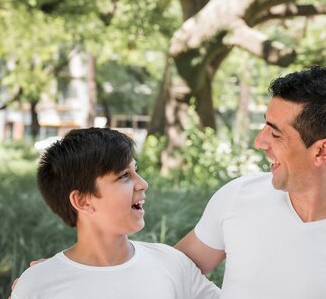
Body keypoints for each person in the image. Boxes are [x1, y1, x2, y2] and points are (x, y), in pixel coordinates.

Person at [175, 66, 326, 298]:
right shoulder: (237, 197)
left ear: (322, 151)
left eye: (275, 133)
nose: (259, 142)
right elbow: (172, 275)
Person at [11, 127, 220, 299]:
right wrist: (40, 280)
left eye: (136, 170)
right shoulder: (38, 284)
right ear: (82, 200)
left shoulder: (172, 264)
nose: (143, 184)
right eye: (123, 176)